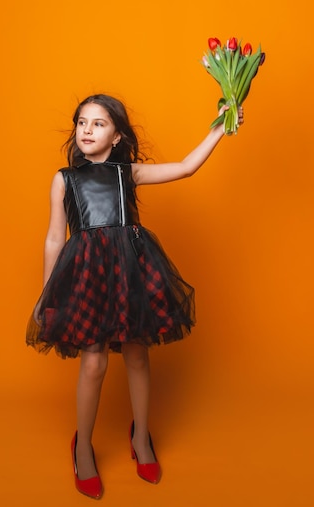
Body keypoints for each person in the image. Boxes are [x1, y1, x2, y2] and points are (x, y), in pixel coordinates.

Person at [27, 94, 243, 499]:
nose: (87, 130)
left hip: (129, 270)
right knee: (93, 362)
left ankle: (141, 437)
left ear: (117, 135)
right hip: (89, 273)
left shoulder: (128, 173)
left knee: (137, 354)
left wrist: (222, 125)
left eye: (99, 123)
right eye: (82, 123)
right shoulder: (65, 178)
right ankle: (84, 448)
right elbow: (56, 237)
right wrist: (46, 293)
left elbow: (185, 167)